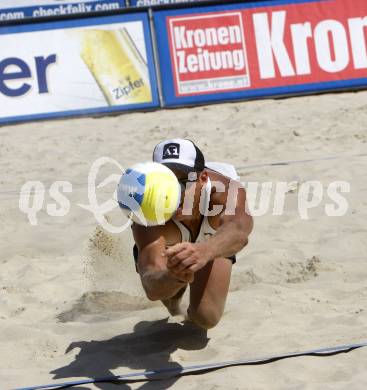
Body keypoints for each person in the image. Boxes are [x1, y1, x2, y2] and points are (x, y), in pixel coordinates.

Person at [131, 139, 253, 329]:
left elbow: (239, 231)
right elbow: (151, 286)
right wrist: (174, 276)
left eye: (183, 181)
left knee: (205, 316)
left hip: (211, 239)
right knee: (169, 297)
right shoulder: (148, 211)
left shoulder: (226, 192)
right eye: (167, 181)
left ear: (203, 178)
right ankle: (177, 295)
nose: (175, 191)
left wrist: (206, 250)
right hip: (175, 239)